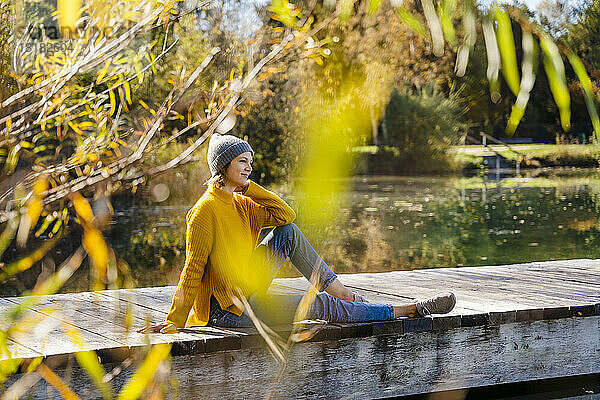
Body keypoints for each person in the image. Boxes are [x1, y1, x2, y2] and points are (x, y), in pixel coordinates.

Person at [139, 134, 456, 334]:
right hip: (227, 311)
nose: (249, 167)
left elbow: (286, 217)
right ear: (222, 166)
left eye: (251, 162)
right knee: (317, 305)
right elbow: (192, 268)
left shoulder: (243, 203)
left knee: (288, 233)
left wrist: (250, 188)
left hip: (248, 286)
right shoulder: (204, 211)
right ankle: (408, 309)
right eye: (242, 162)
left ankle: (342, 292)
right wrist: (176, 319)